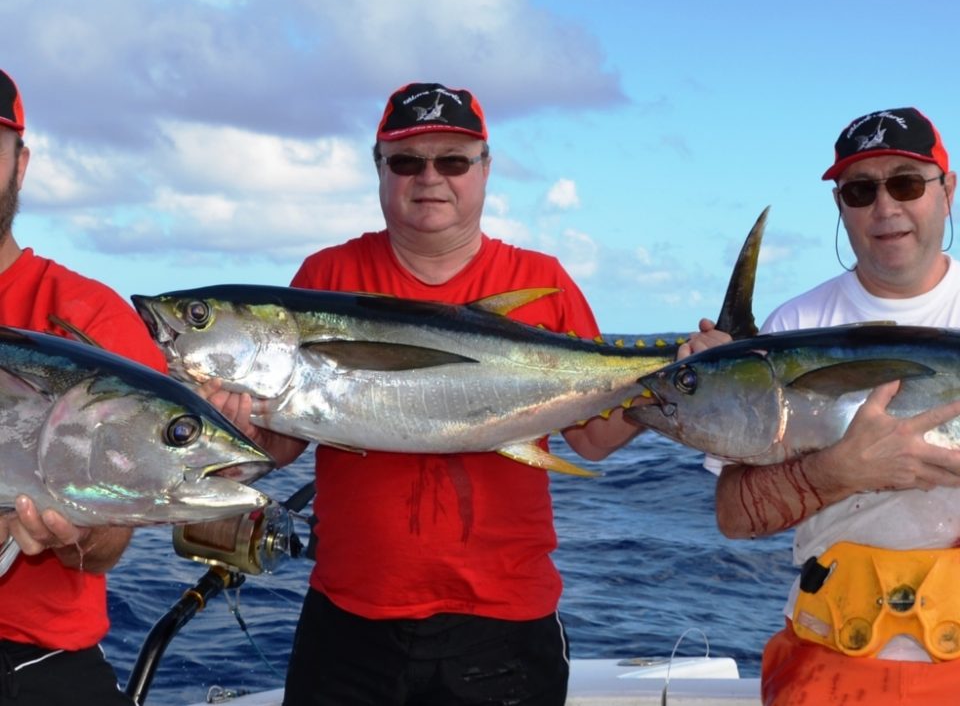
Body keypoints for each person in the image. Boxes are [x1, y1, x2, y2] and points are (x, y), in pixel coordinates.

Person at [206, 81, 725, 705]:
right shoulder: (327, 277)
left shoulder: (541, 281)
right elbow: (283, 442)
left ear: (485, 168)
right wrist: (235, 423)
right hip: (351, 610)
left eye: (452, 160)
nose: (430, 178)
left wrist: (685, 380)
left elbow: (593, 438)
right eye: (406, 161)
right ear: (379, 169)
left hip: (504, 618)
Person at [709, 107, 960, 705]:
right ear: (840, 207)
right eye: (859, 190)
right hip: (830, 656)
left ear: (947, 191)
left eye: (905, 182)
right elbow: (733, 517)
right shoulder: (795, 326)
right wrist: (840, 472)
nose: (885, 207)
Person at [0, 69, 167, 704]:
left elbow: (108, 543)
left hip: (31, 662)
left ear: (21, 164)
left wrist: (79, 532)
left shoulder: (87, 315)